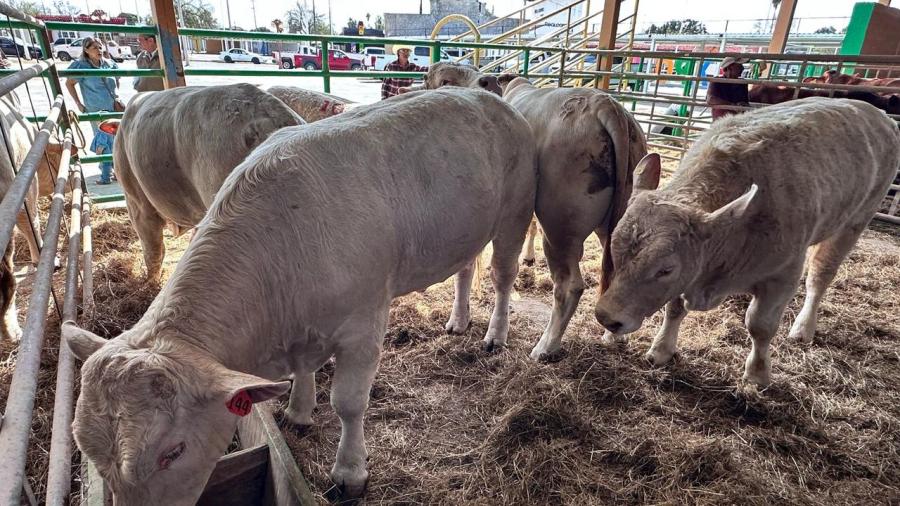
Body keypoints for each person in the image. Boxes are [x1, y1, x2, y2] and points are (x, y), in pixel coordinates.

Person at [65, 36, 121, 184]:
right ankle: (106, 174)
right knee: (103, 141)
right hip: (96, 109)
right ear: (86, 50)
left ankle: (116, 171)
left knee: (115, 140)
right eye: (95, 48)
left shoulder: (109, 64)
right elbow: (69, 83)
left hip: (112, 108)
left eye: (100, 47)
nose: (99, 50)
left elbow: (117, 78)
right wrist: (78, 103)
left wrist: (116, 96)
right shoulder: (81, 66)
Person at [706, 56, 750, 121]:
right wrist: (732, 105)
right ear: (729, 67)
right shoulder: (716, 81)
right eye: (739, 66)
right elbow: (710, 99)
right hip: (722, 119)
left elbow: (746, 101)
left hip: (738, 119)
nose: (742, 68)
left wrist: (742, 104)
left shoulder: (742, 83)